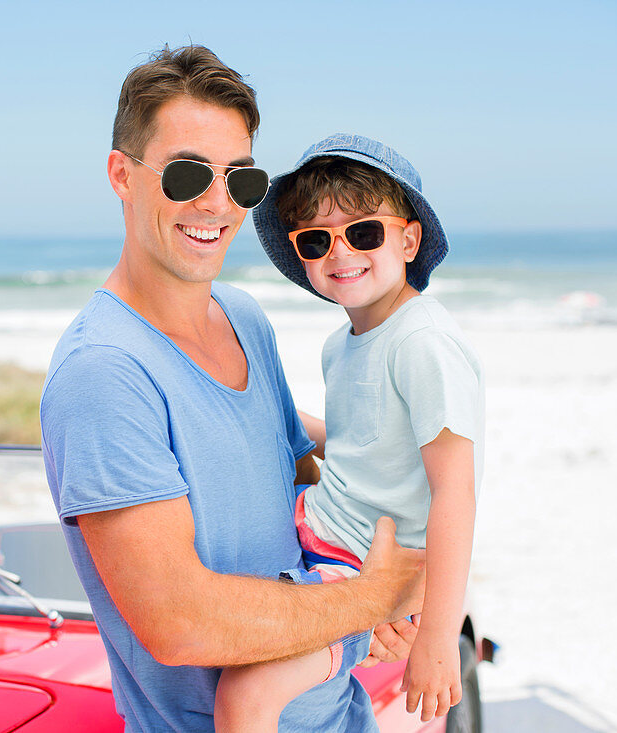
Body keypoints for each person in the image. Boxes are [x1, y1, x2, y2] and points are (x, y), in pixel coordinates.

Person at [40, 46, 425, 732]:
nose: (217, 203)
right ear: (121, 176)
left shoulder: (245, 317)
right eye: (189, 173)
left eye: (241, 180)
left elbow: (300, 486)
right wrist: (373, 599)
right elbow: (180, 620)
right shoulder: (103, 373)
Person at [216, 134, 483, 727]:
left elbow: (456, 494)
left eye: (364, 232)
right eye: (316, 239)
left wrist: (438, 637)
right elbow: (366, 445)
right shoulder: (343, 344)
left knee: (247, 694)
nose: (341, 253)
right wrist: (268, 414)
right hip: (315, 520)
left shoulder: (423, 343)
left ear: (408, 238)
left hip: (361, 566)